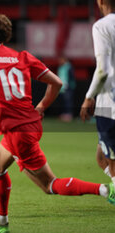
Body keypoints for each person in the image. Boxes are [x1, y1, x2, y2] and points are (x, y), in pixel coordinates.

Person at [0, 13, 114, 233]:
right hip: (29, 125)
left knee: (49, 185)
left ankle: (107, 190)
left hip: (18, 132)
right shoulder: (22, 57)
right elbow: (57, 82)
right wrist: (42, 107)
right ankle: (0, 223)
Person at [80, 0, 115, 195]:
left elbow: (103, 69)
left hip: (108, 102)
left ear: (100, 2)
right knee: (102, 157)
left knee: (106, 158)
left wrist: (88, 97)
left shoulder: (102, 26)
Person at [58, 56, 76, 122]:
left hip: (68, 87)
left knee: (68, 101)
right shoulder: (60, 67)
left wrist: (71, 86)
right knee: (63, 102)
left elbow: (71, 77)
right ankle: (65, 114)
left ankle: (69, 114)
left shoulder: (69, 67)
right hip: (62, 88)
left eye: (61, 60)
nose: (60, 61)